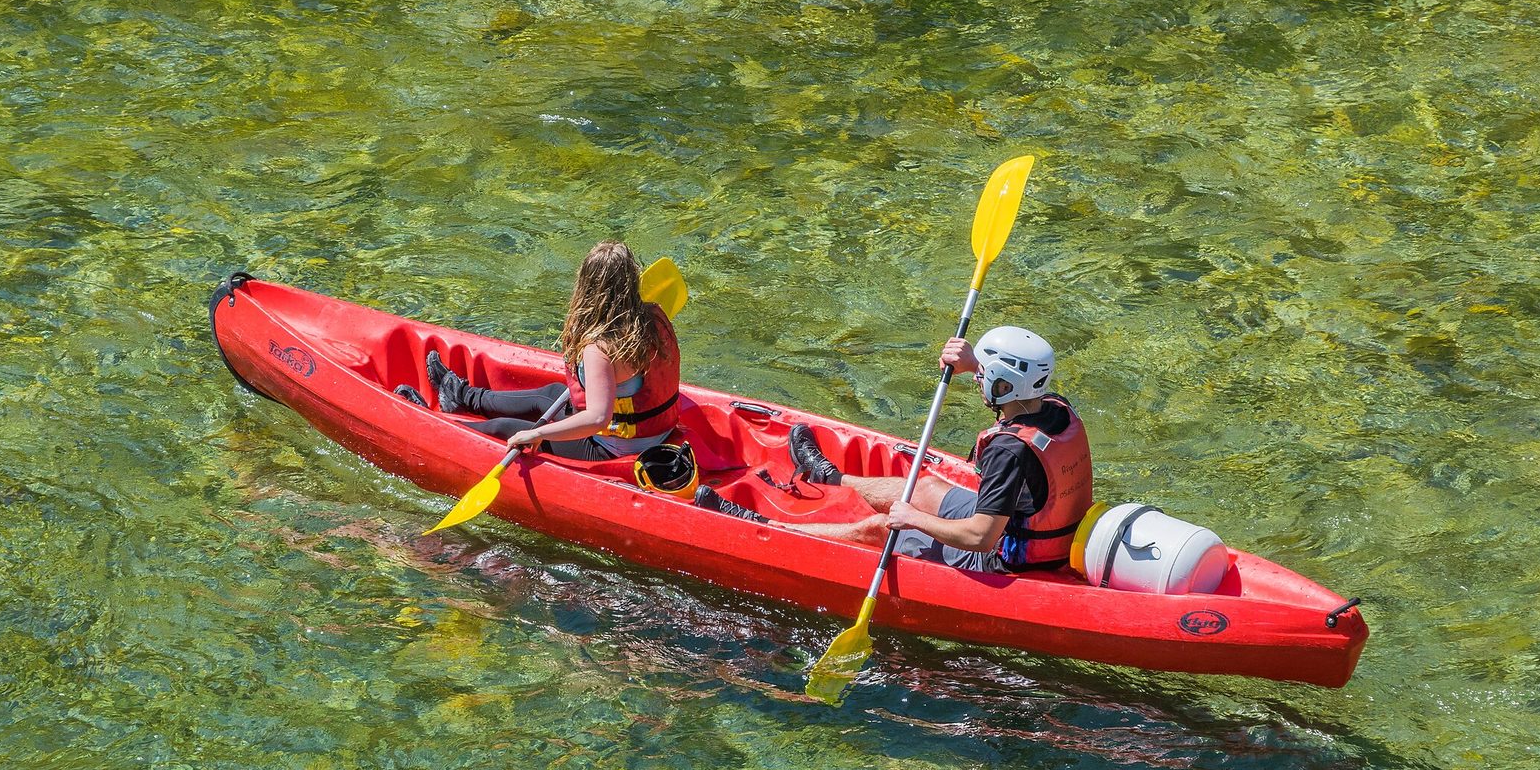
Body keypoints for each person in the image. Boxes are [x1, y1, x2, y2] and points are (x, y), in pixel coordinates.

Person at [698, 326, 1092, 574]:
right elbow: (1014, 394)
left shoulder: (1008, 450)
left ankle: (769, 527)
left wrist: (912, 520)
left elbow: (980, 539)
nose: (979, 381)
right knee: (921, 488)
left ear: (1004, 385)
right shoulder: (1055, 407)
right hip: (1022, 524)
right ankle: (829, 477)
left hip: (1002, 557)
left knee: (879, 527)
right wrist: (973, 363)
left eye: (985, 375)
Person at [421, 240, 681, 461]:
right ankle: (461, 397)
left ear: (587, 286)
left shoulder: (600, 349)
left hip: (613, 449)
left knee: (505, 428)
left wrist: (538, 434)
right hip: (659, 432)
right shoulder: (653, 316)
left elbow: (598, 418)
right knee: (551, 394)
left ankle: (431, 428)